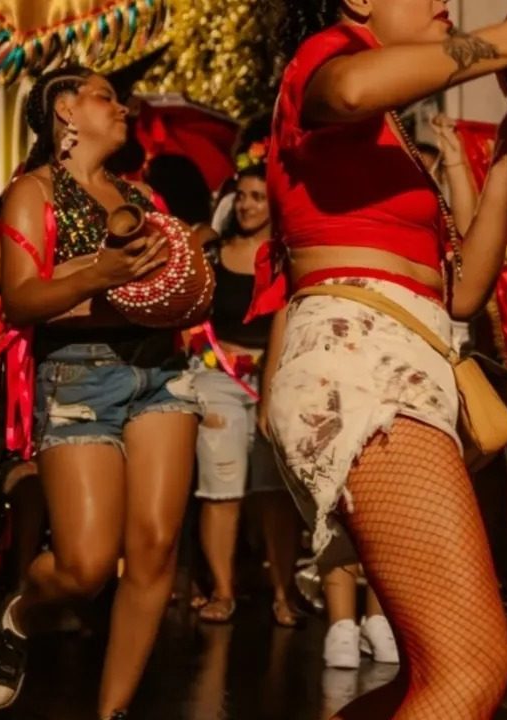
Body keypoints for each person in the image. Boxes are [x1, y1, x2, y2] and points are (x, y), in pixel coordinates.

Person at [258, 1, 507, 717]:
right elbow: (350, 88)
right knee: (470, 672)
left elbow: (465, 292)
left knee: (425, 679)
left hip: (402, 351)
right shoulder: (328, 58)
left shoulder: (386, 134)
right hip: (360, 355)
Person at [0, 66, 199, 720]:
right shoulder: (32, 192)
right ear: (66, 110)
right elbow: (21, 300)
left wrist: (188, 266)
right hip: (78, 372)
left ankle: (112, 711)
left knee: (155, 549)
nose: (122, 107)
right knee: (86, 568)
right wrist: (97, 273)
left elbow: (169, 281)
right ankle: (20, 613)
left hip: (161, 367)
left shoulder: (142, 195)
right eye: (106, 97)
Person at [187, 161, 303, 628]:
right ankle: (222, 589)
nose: (248, 205)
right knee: (221, 487)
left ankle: (284, 592)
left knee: (274, 491)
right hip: (217, 376)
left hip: (276, 381)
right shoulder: (214, 251)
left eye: (258, 197)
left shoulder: (287, 259)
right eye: (243, 196)